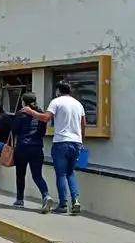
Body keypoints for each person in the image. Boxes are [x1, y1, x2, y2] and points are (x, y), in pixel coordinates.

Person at [19, 82, 86, 214]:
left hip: (61, 142)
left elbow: (45, 118)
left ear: (58, 90)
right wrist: (81, 140)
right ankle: (76, 200)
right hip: (76, 142)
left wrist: (30, 111)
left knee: (61, 174)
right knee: (71, 173)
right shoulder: (78, 104)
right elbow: (83, 124)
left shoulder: (56, 102)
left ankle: (63, 204)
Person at [10, 93, 52, 212]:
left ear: (23, 102)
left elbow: (15, 131)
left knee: (20, 174)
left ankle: (19, 200)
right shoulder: (40, 114)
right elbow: (43, 132)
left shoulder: (20, 114)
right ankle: (46, 195)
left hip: (23, 147)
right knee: (37, 175)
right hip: (37, 147)